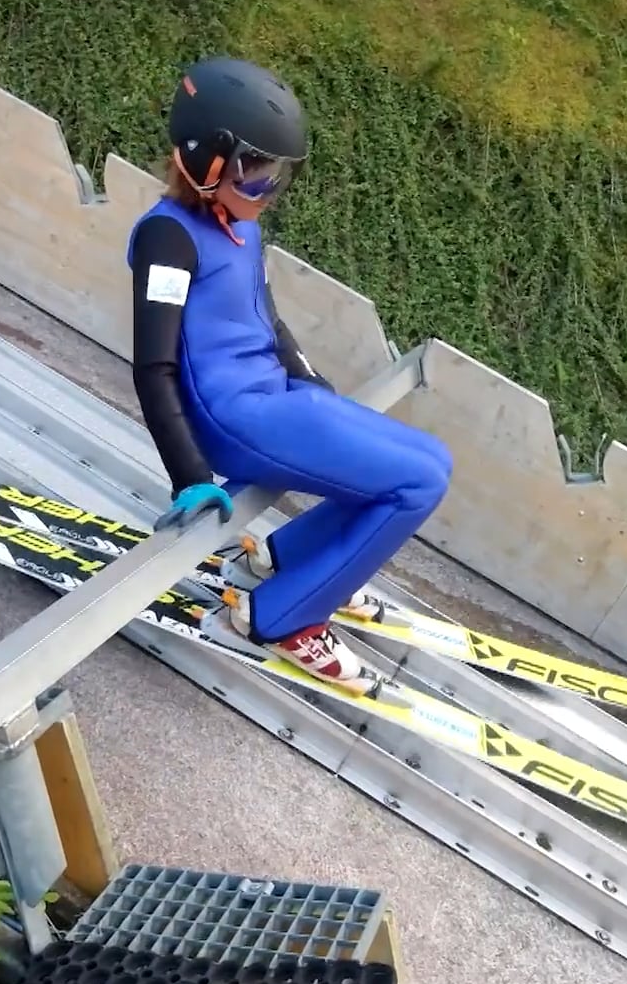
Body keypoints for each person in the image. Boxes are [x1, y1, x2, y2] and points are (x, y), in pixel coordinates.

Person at [125, 55, 453, 686]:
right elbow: (153, 363)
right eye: (254, 172)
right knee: (413, 487)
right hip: (236, 419)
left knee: (433, 459)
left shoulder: (241, 230)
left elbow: (267, 321)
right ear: (206, 160)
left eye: (277, 175)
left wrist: (311, 384)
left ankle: (286, 564)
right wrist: (190, 476)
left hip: (277, 398)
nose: (267, 188)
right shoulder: (169, 237)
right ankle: (280, 619)